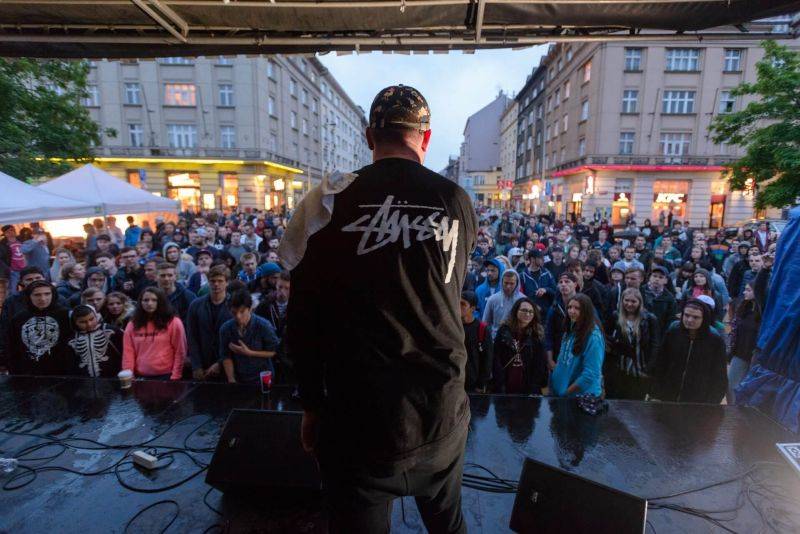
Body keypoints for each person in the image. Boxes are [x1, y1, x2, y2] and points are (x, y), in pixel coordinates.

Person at [284, 85, 476, 534]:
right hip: (439, 410)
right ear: (425, 140)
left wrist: (311, 406)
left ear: (370, 137)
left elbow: (302, 320)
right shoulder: (456, 201)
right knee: (449, 524)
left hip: (357, 420)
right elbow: (448, 293)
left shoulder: (323, 204)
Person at [652, 299, 727, 404]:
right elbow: (660, 364)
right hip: (668, 396)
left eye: (696, 317)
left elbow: (719, 375)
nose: (690, 320)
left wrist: (712, 402)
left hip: (698, 401)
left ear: (704, 319)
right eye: (686, 315)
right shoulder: (673, 334)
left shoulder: (715, 341)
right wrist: (656, 393)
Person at [604, 288, 659, 400]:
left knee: (637, 398)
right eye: (626, 300)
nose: (629, 304)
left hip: (641, 366)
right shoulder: (616, 316)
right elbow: (605, 335)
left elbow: (655, 344)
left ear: (639, 302)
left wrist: (649, 366)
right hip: (621, 366)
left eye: (633, 301)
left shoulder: (649, 319)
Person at [6, 280, 72, 375]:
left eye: (47, 294)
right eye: (37, 295)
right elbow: (12, 347)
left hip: (60, 372)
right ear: (29, 296)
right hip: (28, 373)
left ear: (53, 294)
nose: (43, 298)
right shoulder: (19, 318)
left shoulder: (66, 315)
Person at [121, 287, 186, 380]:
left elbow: (180, 351)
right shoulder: (132, 324)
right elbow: (128, 353)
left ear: (161, 302)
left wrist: (176, 376)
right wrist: (129, 375)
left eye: (154, 300)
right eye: (145, 300)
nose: (149, 303)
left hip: (167, 375)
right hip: (140, 376)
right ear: (140, 302)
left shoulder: (173, 322)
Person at [549, 294, 605, 398]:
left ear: (586, 311)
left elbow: (591, 374)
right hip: (559, 392)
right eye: (569, 307)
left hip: (578, 397)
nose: (571, 311)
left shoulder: (593, 336)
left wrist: (566, 393)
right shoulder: (570, 329)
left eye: (577, 308)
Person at [219, 289, 278, 384]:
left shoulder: (263, 325)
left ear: (250, 309)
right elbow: (225, 355)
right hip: (239, 377)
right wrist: (231, 378)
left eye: (242, 312)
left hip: (262, 376)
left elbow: (274, 351)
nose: (238, 316)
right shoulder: (226, 329)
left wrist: (249, 352)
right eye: (234, 313)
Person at [492, 297, 548, 395]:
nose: (528, 314)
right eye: (524, 310)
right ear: (516, 311)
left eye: (531, 312)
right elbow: (496, 357)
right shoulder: (504, 330)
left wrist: (536, 386)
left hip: (527, 384)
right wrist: (498, 381)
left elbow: (540, 363)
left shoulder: (537, 334)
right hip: (505, 382)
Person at [186, 265, 232, 381]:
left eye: (220, 281)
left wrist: (220, 363)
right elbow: (192, 337)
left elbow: (236, 338)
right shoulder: (196, 305)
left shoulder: (234, 305)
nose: (216, 284)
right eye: (213, 281)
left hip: (229, 364)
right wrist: (196, 366)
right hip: (203, 362)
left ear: (227, 282)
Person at [727, 282, 761, 404]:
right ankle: (733, 411)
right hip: (740, 354)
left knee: (749, 389)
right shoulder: (743, 308)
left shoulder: (763, 313)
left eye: (748, 290)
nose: (744, 292)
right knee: (731, 385)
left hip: (755, 357)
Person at [67, 304, 123, 378]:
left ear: (96, 316)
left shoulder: (112, 331)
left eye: (91, 319)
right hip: (84, 382)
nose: (89, 324)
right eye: (82, 322)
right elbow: (71, 364)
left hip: (113, 379)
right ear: (75, 323)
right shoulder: (72, 339)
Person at [544, 272, 579, 370]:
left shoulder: (585, 305)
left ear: (575, 284)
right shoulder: (554, 308)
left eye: (567, 281)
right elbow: (548, 335)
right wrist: (550, 360)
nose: (563, 284)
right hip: (558, 357)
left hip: (577, 356)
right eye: (560, 282)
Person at [459, 291, 491, 392]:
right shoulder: (452, 327)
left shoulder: (481, 329)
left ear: (472, 308)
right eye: (457, 302)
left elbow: (487, 359)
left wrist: (481, 384)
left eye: (463, 304)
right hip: (454, 382)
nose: (458, 306)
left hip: (473, 384)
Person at [482, 270, 523, 339]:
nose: (508, 286)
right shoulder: (493, 299)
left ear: (517, 283)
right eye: (506, 283)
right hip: (496, 339)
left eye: (512, 283)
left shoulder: (522, 300)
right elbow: (485, 322)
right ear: (501, 282)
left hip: (517, 339)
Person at [641, 266, 677, 342]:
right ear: (649, 277)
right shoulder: (640, 291)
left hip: (658, 334)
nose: (657, 279)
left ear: (666, 280)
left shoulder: (670, 298)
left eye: (661, 277)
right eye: (654, 276)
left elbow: (670, 319)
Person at [0, 224, 26, 292]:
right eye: (9, 231)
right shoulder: (3, 244)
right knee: (13, 289)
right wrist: (8, 268)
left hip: (24, 268)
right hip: (13, 270)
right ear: (5, 233)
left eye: (13, 230)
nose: (12, 232)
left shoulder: (21, 240)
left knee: (26, 287)